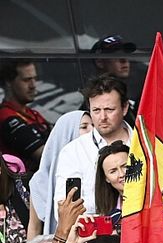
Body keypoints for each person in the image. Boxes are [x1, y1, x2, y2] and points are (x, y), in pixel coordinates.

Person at [54, 75, 132, 215]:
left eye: (109, 109)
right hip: (92, 234)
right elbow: (62, 209)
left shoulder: (147, 145)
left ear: (125, 108)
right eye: (96, 110)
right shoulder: (73, 152)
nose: (102, 117)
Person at [0, 60, 51, 170]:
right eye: (27, 80)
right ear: (9, 82)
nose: (33, 85)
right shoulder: (5, 116)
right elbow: (45, 157)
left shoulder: (33, 113)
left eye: (34, 79)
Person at [93, 140, 128, 217]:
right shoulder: (107, 213)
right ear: (106, 178)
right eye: (113, 171)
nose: (121, 174)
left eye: (125, 166)